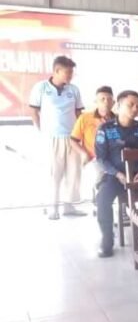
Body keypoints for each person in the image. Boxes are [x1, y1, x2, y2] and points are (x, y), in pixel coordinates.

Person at [29, 55, 86, 220]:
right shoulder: (41, 88)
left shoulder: (74, 90)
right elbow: (34, 111)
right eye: (67, 72)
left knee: (73, 173)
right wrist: (40, 130)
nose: (70, 75)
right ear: (56, 71)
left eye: (71, 72)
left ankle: (69, 207)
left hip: (72, 138)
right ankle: (52, 207)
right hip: (52, 138)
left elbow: (79, 114)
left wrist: (82, 135)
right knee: (54, 174)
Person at [94, 91, 138, 258]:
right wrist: (118, 174)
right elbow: (101, 158)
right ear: (118, 106)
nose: (135, 109)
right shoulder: (105, 129)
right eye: (130, 105)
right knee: (102, 199)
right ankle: (107, 239)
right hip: (115, 176)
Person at [70, 86, 115, 165]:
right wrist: (84, 154)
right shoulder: (85, 118)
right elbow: (73, 140)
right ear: (96, 102)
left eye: (109, 99)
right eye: (102, 99)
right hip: (93, 160)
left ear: (113, 103)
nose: (106, 102)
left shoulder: (119, 120)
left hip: (114, 162)